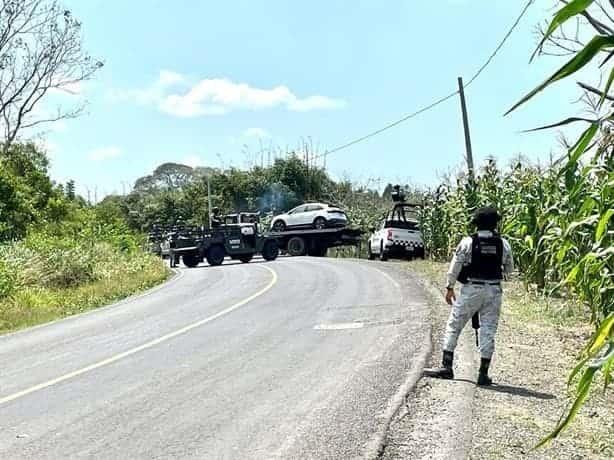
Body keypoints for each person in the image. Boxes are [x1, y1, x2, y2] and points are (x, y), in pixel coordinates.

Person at [425, 207, 514, 386]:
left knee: (454, 324)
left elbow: (455, 266)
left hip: (472, 288)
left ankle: (447, 367)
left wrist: (449, 287)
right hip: (494, 290)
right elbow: (509, 270)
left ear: (476, 224)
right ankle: (483, 373)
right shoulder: (503, 244)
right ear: (495, 224)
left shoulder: (467, 242)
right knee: (488, 330)